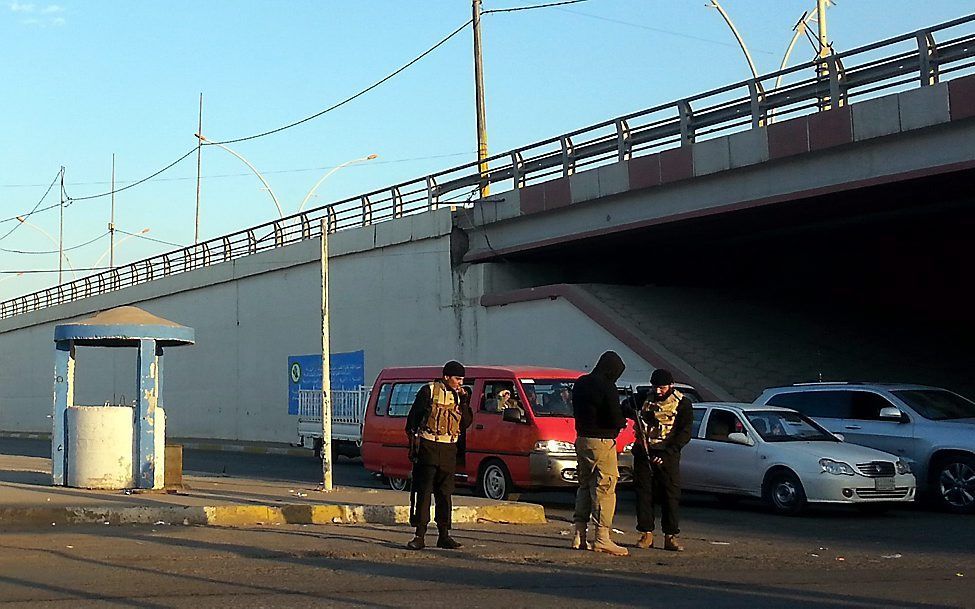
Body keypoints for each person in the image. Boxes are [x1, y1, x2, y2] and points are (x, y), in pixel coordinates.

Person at [404, 360, 474, 551]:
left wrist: (465, 401)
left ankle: (444, 535)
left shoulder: (460, 396)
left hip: (449, 448)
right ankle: (419, 535)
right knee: (424, 492)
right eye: (457, 378)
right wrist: (415, 445)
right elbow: (412, 420)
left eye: (462, 379)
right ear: (446, 377)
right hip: (428, 447)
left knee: (445, 493)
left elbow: (466, 422)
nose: (460, 382)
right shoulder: (429, 391)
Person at [571, 351, 629, 556]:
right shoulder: (607, 386)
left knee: (584, 486)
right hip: (602, 442)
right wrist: (623, 418)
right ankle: (602, 538)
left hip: (582, 439)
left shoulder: (580, 383)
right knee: (605, 488)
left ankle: (579, 534)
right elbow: (614, 418)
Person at [628, 368, 693, 552]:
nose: (658, 391)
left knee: (670, 496)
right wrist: (632, 406)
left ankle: (670, 536)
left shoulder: (682, 404)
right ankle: (646, 533)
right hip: (644, 452)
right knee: (643, 494)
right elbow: (626, 407)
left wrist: (666, 453)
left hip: (668, 455)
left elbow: (684, 433)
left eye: (662, 388)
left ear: (671, 386)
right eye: (655, 387)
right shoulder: (644, 399)